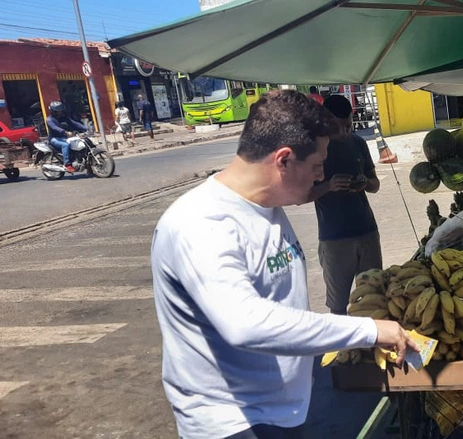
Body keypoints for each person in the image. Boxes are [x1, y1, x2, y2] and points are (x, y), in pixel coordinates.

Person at [150, 90, 418, 439]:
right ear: (284, 160)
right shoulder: (202, 224)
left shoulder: (268, 208)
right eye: (317, 165)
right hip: (235, 424)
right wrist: (368, 330)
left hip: (280, 412)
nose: (320, 176)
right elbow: (245, 324)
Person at [307, 94, 381, 315]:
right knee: (338, 305)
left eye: (349, 125)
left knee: (375, 297)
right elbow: (302, 195)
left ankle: (372, 346)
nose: (345, 132)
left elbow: (375, 184)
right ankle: (345, 350)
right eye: (339, 128)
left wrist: (365, 183)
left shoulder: (358, 143)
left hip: (367, 231)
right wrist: (329, 186)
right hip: (334, 239)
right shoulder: (314, 150)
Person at [45, 100, 87, 173]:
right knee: (66, 145)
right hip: (54, 139)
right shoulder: (50, 120)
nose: (60, 112)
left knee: (80, 142)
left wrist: (86, 128)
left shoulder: (63, 117)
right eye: (58, 111)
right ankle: (67, 164)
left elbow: (74, 123)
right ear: (53, 111)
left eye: (61, 111)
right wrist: (65, 132)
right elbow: (55, 128)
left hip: (64, 137)